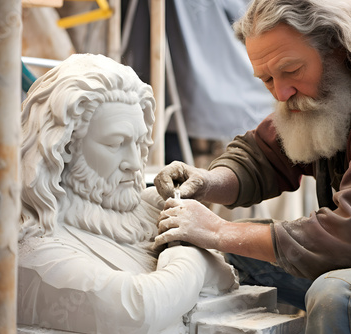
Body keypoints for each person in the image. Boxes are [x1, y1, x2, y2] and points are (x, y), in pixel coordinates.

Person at [153, 0, 351, 333]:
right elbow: (261, 154)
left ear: (339, 48)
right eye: (266, 79)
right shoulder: (326, 90)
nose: (281, 92)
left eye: (291, 71)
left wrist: (219, 231)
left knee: (342, 296)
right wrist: (207, 181)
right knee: (232, 256)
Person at [17, 53, 238, 334]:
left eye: (137, 142)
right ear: (67, 147)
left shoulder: (150, 210)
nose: (134, 162)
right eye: (116, 143)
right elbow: (138, 310)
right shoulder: (36, 247)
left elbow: (226, 275)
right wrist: (190, 259)